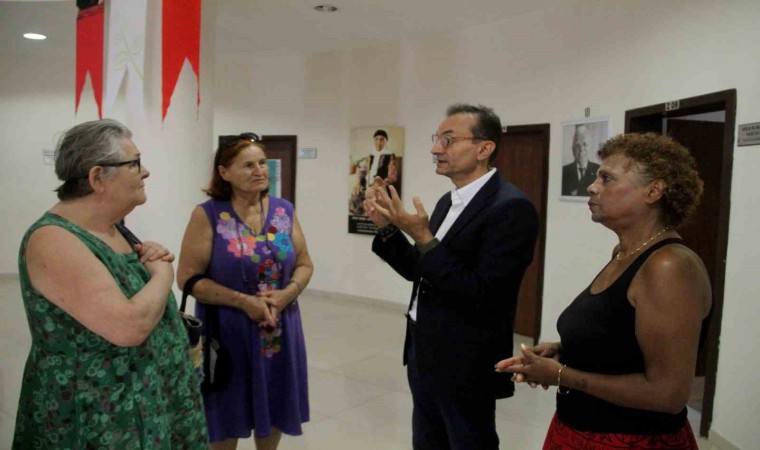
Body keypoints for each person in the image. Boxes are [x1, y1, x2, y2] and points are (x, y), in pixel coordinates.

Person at [496, 132, 710, 449]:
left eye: (607, 178)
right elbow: (622, 341)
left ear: (653, 191)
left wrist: (561, 375)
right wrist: (566, 350)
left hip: (632, 441)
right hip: (578, 430)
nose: (592, 186)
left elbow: (668, 394)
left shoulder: (668, 266)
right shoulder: (624, 253)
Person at [13, 119, 208, 448]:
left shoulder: (113, 228)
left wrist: (149, 262)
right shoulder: (53, 240)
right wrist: (162, 273)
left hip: (144, 401)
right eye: (135, 163)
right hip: (99, 417)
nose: (145, 172)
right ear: (97, 177)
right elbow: (128, 327)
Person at [364, 104, 539, 450]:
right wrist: (386, 229)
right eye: (436, 138)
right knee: (428, 440)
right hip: (423, 348)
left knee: (467, 441)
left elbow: (483, 293)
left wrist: (423, 237)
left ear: (484, 148)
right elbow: (422, 272)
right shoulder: (448, 201)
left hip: (464, 359)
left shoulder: (511, 208)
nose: (435, 148)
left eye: (448, 139)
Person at [177, 132, 314, 450]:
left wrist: (287, 294)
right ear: (224, 172)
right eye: (248, 165)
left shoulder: (283, 211)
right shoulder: (208, 215)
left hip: (279, 330)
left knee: (275, 407)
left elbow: (305, 264)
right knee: (227, 415)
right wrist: (243, 302)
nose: (259, 170)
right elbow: (188, 278)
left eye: (262, 163)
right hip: (227, 333)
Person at [562, 124, 600, 196]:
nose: (581, 149)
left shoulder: (599, 171)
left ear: (590, 147)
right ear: (573, 149)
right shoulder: (563, 172)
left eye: (585, 144)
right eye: (578, 145)